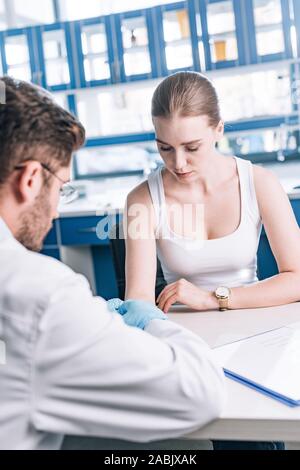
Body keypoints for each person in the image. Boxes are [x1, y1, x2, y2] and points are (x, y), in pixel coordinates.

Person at [0, 76, 225, 450]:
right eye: (61, 187)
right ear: (30, 179)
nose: (56, 209)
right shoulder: (39, 293)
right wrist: (151, 321)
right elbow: (198, 391)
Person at [124, 71, 298, 450]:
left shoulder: (259, 183)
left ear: (218, 129)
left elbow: (298, 277)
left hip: (255, 336)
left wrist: (213, 297)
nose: (179, 162)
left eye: (192, 146)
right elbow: (138, 302)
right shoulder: (142, 199)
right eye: (164, 148)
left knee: (257, 434)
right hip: (188, 344)